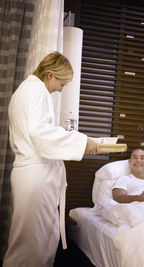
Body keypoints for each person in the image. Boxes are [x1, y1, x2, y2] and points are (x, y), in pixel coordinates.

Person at [3, 51, 99, 267]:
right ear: (49, 75)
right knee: (31, 245)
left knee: (35, 241)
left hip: (33, 175)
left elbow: (37, 132)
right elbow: (40, 134)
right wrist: (82, 142)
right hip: (35, 177)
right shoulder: (36, 91)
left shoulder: (26, 90)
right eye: (61, 83)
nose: (59, 89)